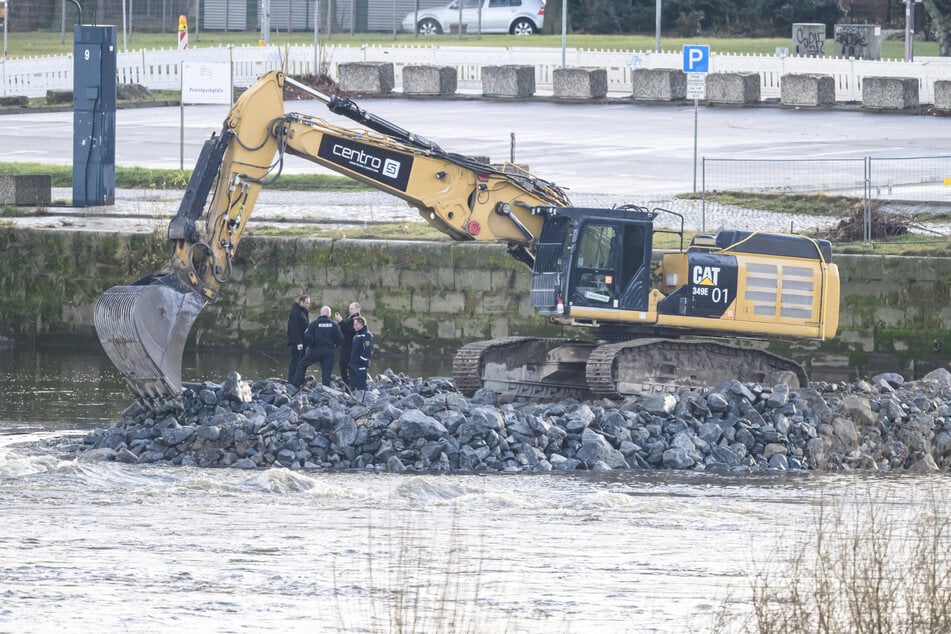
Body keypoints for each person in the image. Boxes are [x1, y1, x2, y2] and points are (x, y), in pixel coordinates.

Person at [292, 305, 343, 388]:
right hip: (329, 351)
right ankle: (325, 389)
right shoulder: (334, 325)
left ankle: (296, 384)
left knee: (302, 364)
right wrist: (334, 345)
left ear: (321, 313)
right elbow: (341, 338)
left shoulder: (314, 324)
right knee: (326, 371)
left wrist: (312, 344)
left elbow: (306, 337)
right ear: (329, 314)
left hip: (316, 350)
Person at [334, 302, 361, 387]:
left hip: (351, 347)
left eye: (351, 309)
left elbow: (350, 330)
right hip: (345, 346)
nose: (349, 310)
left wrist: (341, 321)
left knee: (349, 369)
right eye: (349, 309)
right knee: (342, 367)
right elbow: (344, 329)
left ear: (357, 309)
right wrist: (338, 323)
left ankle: (351, 388)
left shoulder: (357, 319)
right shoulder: (350, 318)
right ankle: (347, 387)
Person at [285, 295, 310, 383]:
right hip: (297, 342)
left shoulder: (304, 312)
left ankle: (299, 379)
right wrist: (298, 342)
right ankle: (291, 379)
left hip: (303, 341)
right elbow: (294, 329)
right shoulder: (295, 312)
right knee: (295, 360)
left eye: (308, 303)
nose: (308, 305)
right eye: (306, 303)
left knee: (301, 361)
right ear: (301, 302)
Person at [348, 316, 374, 392]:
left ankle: (362, 400)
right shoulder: (357, 335)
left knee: (361, 385)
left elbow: (368, 349)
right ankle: (353, 398)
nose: (353, 327)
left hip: (361, 364)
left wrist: (361, 360)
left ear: (361, 324)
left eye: (355, 325)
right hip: (354, 363)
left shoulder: (367, 335)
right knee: (353, 384)